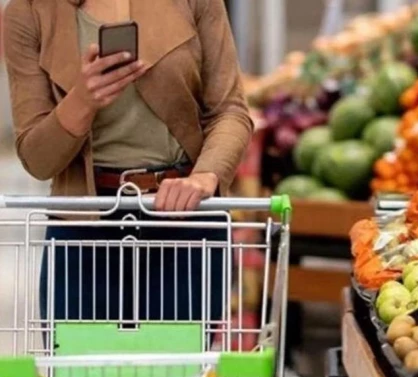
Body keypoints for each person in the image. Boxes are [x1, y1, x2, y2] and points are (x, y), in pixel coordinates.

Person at [3, 0, 250, 343]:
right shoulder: (28, 12)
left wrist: (205, 176)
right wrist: (82, 101)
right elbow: (37, 159)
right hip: (83, 227)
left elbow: (230, 110)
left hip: (182, 217)